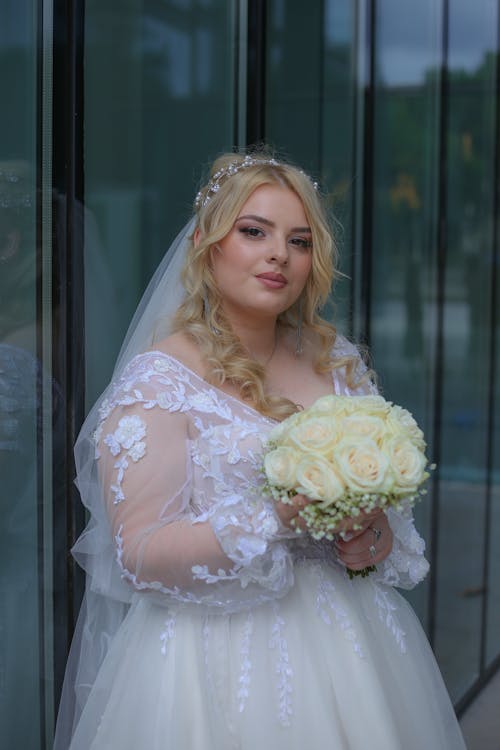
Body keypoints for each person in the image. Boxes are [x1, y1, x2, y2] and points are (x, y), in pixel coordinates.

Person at [54, 151, 466, 749]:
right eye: (254, 232)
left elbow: (384, 535)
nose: (280, 254)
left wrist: (367, 536)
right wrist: (277, 513)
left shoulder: (338, 361)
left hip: (356, 647)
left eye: (299, 241)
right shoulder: (160, 381)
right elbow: (139, 552)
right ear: (206, 244)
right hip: (213, 661)